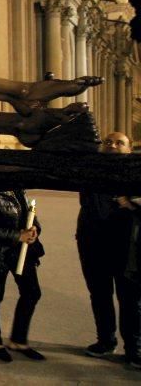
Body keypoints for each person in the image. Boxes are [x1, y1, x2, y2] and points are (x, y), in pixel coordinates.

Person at [76, 131, 141, 366]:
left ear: (130, 149)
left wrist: (132, 202)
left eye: (119, 143)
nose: (112, 145)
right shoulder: (90, 170)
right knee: (100, 295)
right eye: (108, 142)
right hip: (93, 244)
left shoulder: (137, 172)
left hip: (127, 247)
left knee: (130, 299)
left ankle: (135, 349)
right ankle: (106, 341)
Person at [0, 187, 44, 363]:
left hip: (22, 251)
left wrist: (35, 228)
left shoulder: (18, 188)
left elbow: (29, 213)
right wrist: (17, 235)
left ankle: (18, 340)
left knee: (32, 292)